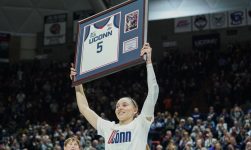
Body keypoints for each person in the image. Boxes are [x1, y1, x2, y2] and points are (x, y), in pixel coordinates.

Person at [70, 43, 159, 150]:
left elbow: (153, 92)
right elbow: (84, 108)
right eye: (117, 106)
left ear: (135, 110)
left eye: (124, 105)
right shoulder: (108, 128)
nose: (119, 108)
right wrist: (77, 83)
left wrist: (148, 62)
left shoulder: (141, 123)